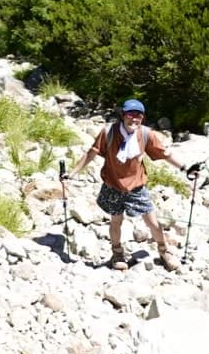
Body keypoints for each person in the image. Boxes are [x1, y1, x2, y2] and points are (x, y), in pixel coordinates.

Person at [70, 99, 201, 271]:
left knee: (153, 222)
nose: (134, 119)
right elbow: (91, 154)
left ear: (142, 117)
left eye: (138, 115)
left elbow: (165, 153)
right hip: (113, 185)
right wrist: (71, 174)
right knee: (116, 221)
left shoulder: (146, 134)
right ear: (123, 116)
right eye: (130, 114)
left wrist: (186, 168)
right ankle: (117, 253)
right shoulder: (108, 132)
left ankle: (164, 251)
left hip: (137, 186)